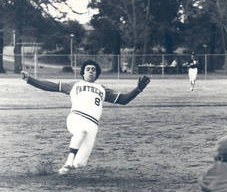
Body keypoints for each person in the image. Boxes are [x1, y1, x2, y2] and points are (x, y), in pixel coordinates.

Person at [21, 60, 150, 175]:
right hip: (76, 118)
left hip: (93, 126)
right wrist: (30, 79)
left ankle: (67, 168)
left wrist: (138, 89)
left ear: (97, 74)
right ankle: (68, 162)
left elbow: (124, 100)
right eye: (88, 69)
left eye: (93, 70)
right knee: (80, 132)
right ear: (82, 73)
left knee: (80, 164)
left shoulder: (103, 89)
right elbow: (51, 86)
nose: (91, 71)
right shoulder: (74, 85)